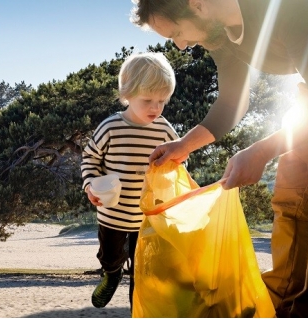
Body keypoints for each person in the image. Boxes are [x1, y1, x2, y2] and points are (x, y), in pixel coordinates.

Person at [130, 0, 308, 317]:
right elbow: (233, 101)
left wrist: (263, 150)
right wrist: (184, 145)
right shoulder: (218, 32)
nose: (181, 45)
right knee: (291, 197)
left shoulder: (287, 7)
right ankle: (277, 305)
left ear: (197, 4)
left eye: (177, 32)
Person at [81, 51, 179, 310]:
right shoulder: (110, 127)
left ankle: (138, 308)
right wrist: (90, 184)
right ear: (127, 94)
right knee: (110, 257)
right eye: (148, 100)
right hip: (113, 213)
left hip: (149, 217)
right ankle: (112, 275)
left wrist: (174, 166)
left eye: (162, 101)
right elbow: (90, 159)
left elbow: (179, 161)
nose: (156, 108)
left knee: (143, 270)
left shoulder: (165, 130)